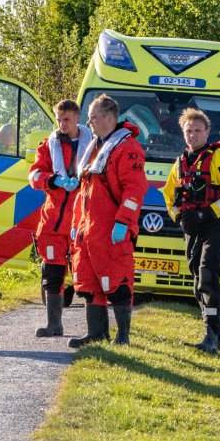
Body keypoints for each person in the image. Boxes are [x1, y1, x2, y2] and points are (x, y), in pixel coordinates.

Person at [69, 94, 147, 348]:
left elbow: (134, 190)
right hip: (89, 228)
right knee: (90, 283)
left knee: (117, 281)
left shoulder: (127, 148)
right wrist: (76, 223)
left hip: (111, 227)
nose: (89, 122)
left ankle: (122, 336)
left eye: (93, 117)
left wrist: (123, 221)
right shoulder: (97, 147)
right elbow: (85, 191)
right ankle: (97, 333)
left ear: (109, 117)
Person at [168, 107, 220, 353]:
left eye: (198, 130)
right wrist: (179, 216)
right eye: (189, 131)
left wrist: (206, 212)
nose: (193, 135)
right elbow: (170, 197)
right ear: (183, 133)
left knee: (208, 275)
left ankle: (211, 337)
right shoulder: (179, 164)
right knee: (198, 282)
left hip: (219, 224)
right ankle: (213, 332)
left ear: (207, 131)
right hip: (194, 227)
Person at [26, 99, 84, 338]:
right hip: (53, 220)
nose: (61, 124)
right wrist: (53, 179)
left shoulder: (93, 144)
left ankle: (97, 329)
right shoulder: (48, 145)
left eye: (66, 119)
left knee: (87, 275)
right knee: (52, 273)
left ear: (77, 118)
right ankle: (54, 324)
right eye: (58, 119)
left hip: (81, 219)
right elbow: (34, 175)